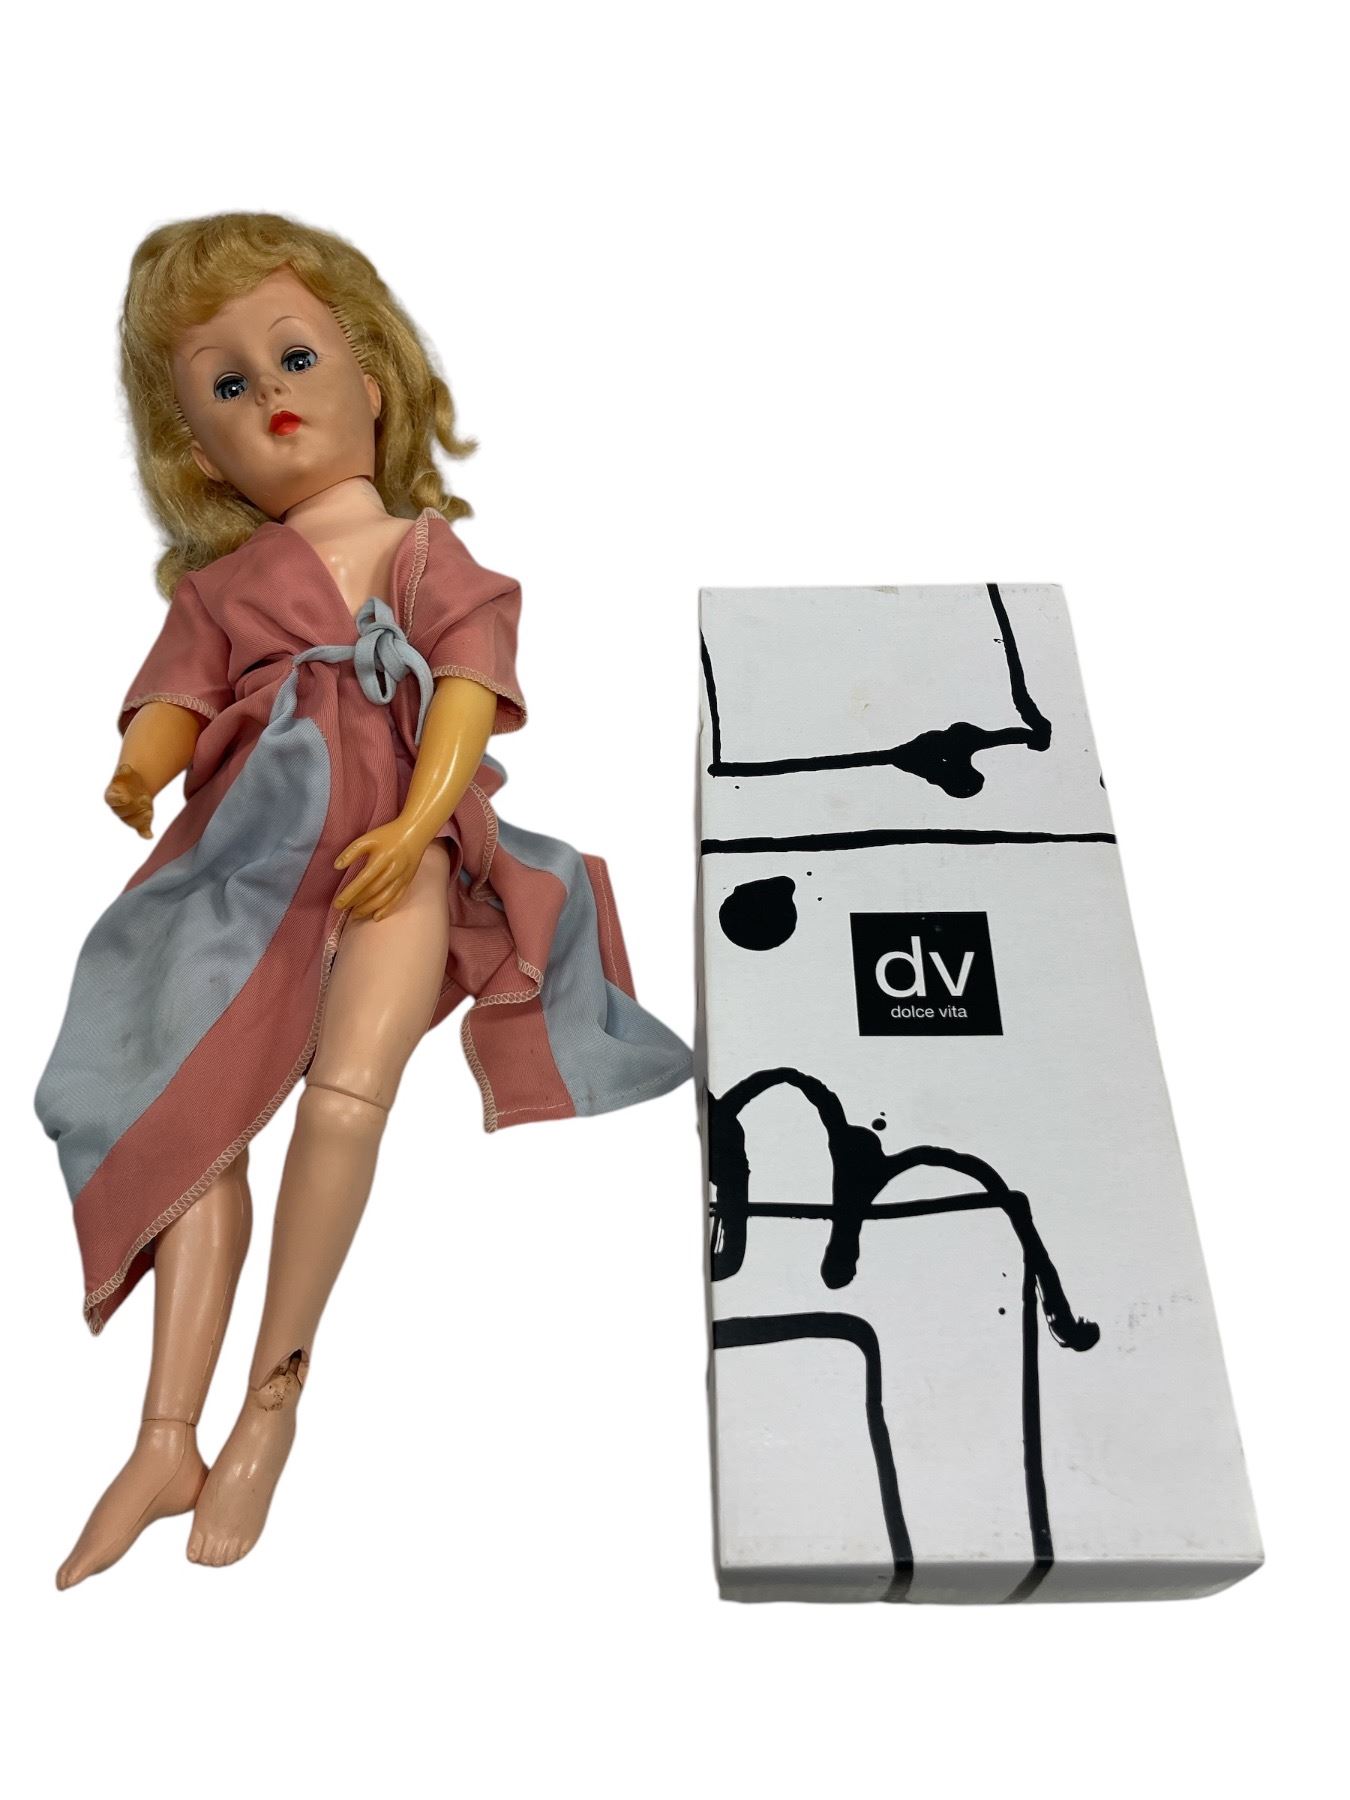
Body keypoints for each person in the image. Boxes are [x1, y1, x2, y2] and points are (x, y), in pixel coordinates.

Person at [36, 212, 692, 1587]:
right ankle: (165, 1438)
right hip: (241, 870)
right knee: (191, 1126)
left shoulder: (423, 555)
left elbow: (465, 692)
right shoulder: (224, 588)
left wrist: (415, 816)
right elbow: (174, 698)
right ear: (194, 450)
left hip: (394, 859)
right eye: (227, 385)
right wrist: (140, 767)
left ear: (372, 380)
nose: (270, 396)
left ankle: (270, 1403)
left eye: (294, 356)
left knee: (346, 1099)